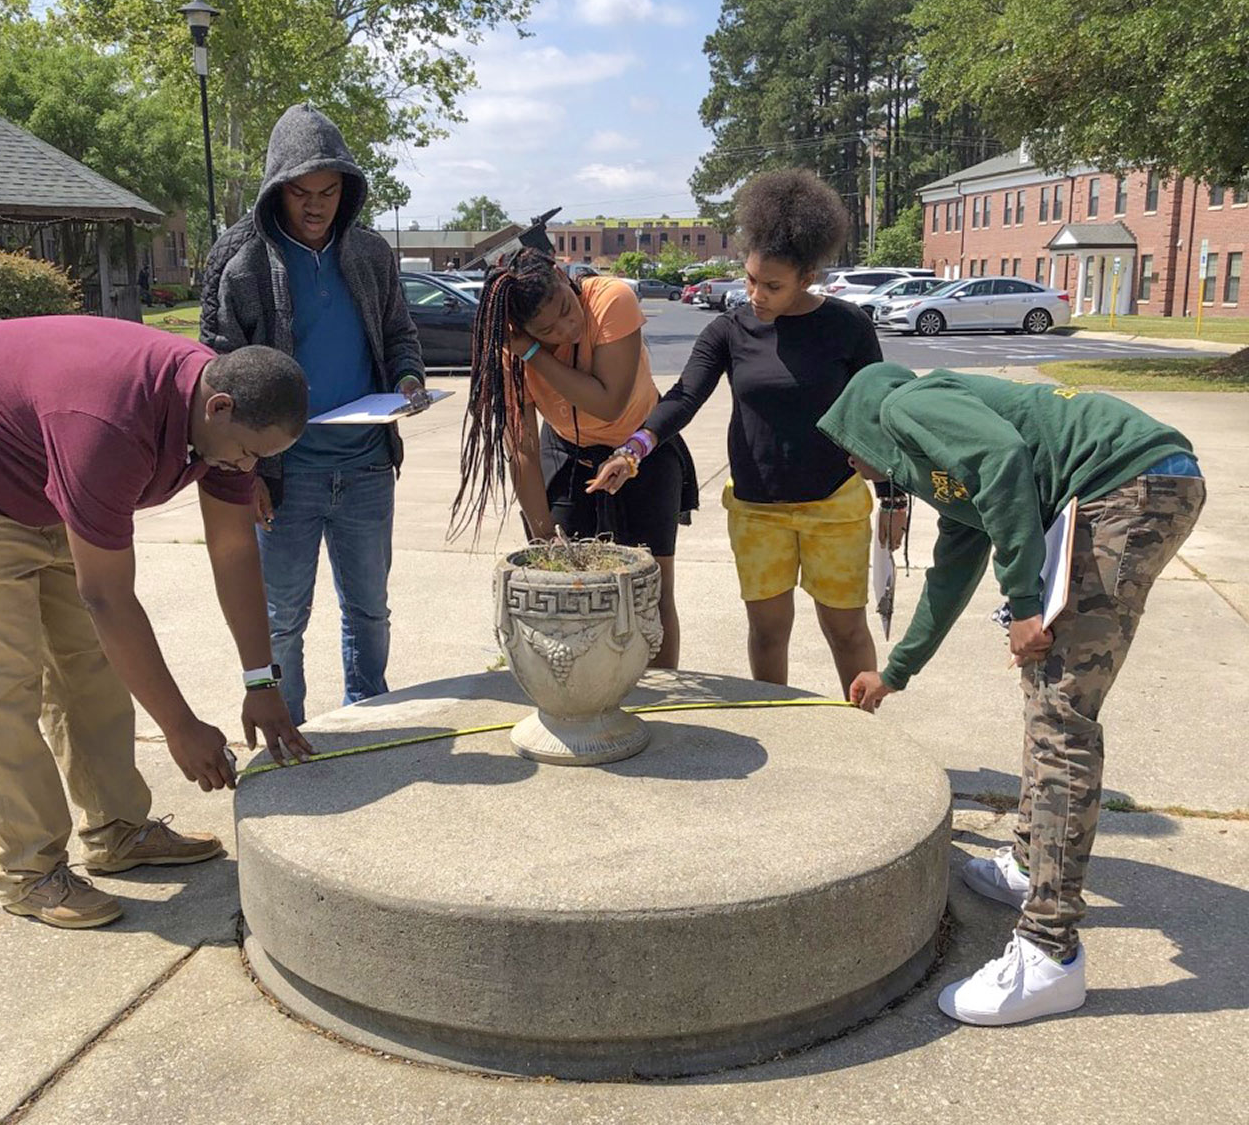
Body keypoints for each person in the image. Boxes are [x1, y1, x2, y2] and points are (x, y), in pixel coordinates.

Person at [818, 363, 1205, 1026]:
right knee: (1047, 689)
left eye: (846, 447)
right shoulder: (948, 470)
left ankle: (1049, 953)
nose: (853, 465)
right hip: (1136, 480)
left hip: (1126, 484)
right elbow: (952, 570)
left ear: (863, 422)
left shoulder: (908, 405)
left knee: (1061, 714)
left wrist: (1024, 600)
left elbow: (1005, 460)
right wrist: (896, 671)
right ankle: (1031, 861)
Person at [0, 316, 312, 930]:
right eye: (251, 453)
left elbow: (233, 552)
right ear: (220, 405)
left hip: (40, 478)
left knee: (91, 666)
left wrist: (261, 681)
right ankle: (30, 872)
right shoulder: (108, 426)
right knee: (1, 683)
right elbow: (107, 597)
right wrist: (180, 727)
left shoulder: (220, 417)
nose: (248, 466)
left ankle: (116, 831)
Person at [589, 169, 905, 691]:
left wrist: (894, 499)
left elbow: (878, 414)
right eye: (751, 279)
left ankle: (864, 730)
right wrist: (634, 449)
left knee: (845, 629)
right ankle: (776, 716)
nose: (755, 294)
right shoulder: (729, 330)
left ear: (808, 276)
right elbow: (685, 397)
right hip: (757, 508)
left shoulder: (848, 327)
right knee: (767, 630)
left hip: (835, 505)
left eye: (772, 285)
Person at [202, 102, 428, 725]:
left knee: (369, 610)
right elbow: (215, 373)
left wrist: (408, 377)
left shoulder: (372, 254)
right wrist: (240, 477)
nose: (316, 205)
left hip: (365, 469)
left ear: (346, 191)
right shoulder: (241, 260)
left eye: (329, 191)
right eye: (301, 191)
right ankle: (290, 733)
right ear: (277, 189)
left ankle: (369, 719)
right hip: (282, 479)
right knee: (281, 620)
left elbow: (400, 335)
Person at [451, 248, 697, 667]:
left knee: (651, 593)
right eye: (546, 329)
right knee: (566, 589)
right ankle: (583, 695)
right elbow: (523, 448)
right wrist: (545, 535)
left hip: (642, 450)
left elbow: (609, 404)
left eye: (566, 309)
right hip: (567, 453)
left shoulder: (611, 300)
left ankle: (657, 698)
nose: (568, 327)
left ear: (563, 277)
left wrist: (536, 353)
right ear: (518, 329)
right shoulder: (509, 351)